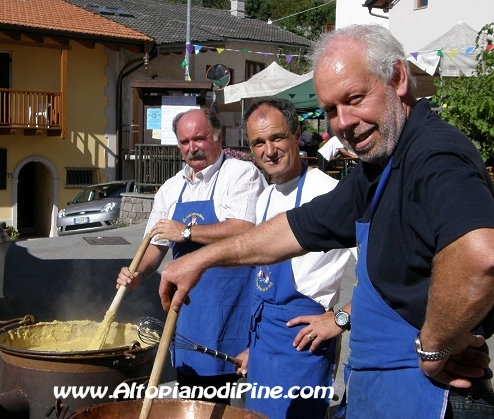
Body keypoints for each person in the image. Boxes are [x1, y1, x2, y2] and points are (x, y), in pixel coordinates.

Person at [158, 24, 494, 418]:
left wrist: (434, 346)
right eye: (331, 110)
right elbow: (294, 228)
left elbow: (480, 255)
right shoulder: (379, 169)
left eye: (355, 99)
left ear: (398, 78)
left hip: (429, 398)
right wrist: (200, 259)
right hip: (377, 387)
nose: (344, 122)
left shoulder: (433, 153)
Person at [116, 107, 266, 404]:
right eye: (184, 142)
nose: (192, 148)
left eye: (199, 138)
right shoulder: (170, 189)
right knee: (194, 407)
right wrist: (137, 274)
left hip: (235, 315)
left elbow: (243, 228)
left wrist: (186, 232)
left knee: (236, 409)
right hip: (190, 318)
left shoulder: (241, 174)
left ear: (217, 136)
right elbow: (155, 245)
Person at [239, 97, 355, 418]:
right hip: (263, 347)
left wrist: (340, 318)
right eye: (258, 142)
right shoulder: (265, 196)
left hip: (303, 349)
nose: (269, 150)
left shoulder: (331, 193)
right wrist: (252, 347)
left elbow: (384, 274)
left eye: (277, 137)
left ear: (297, 134)